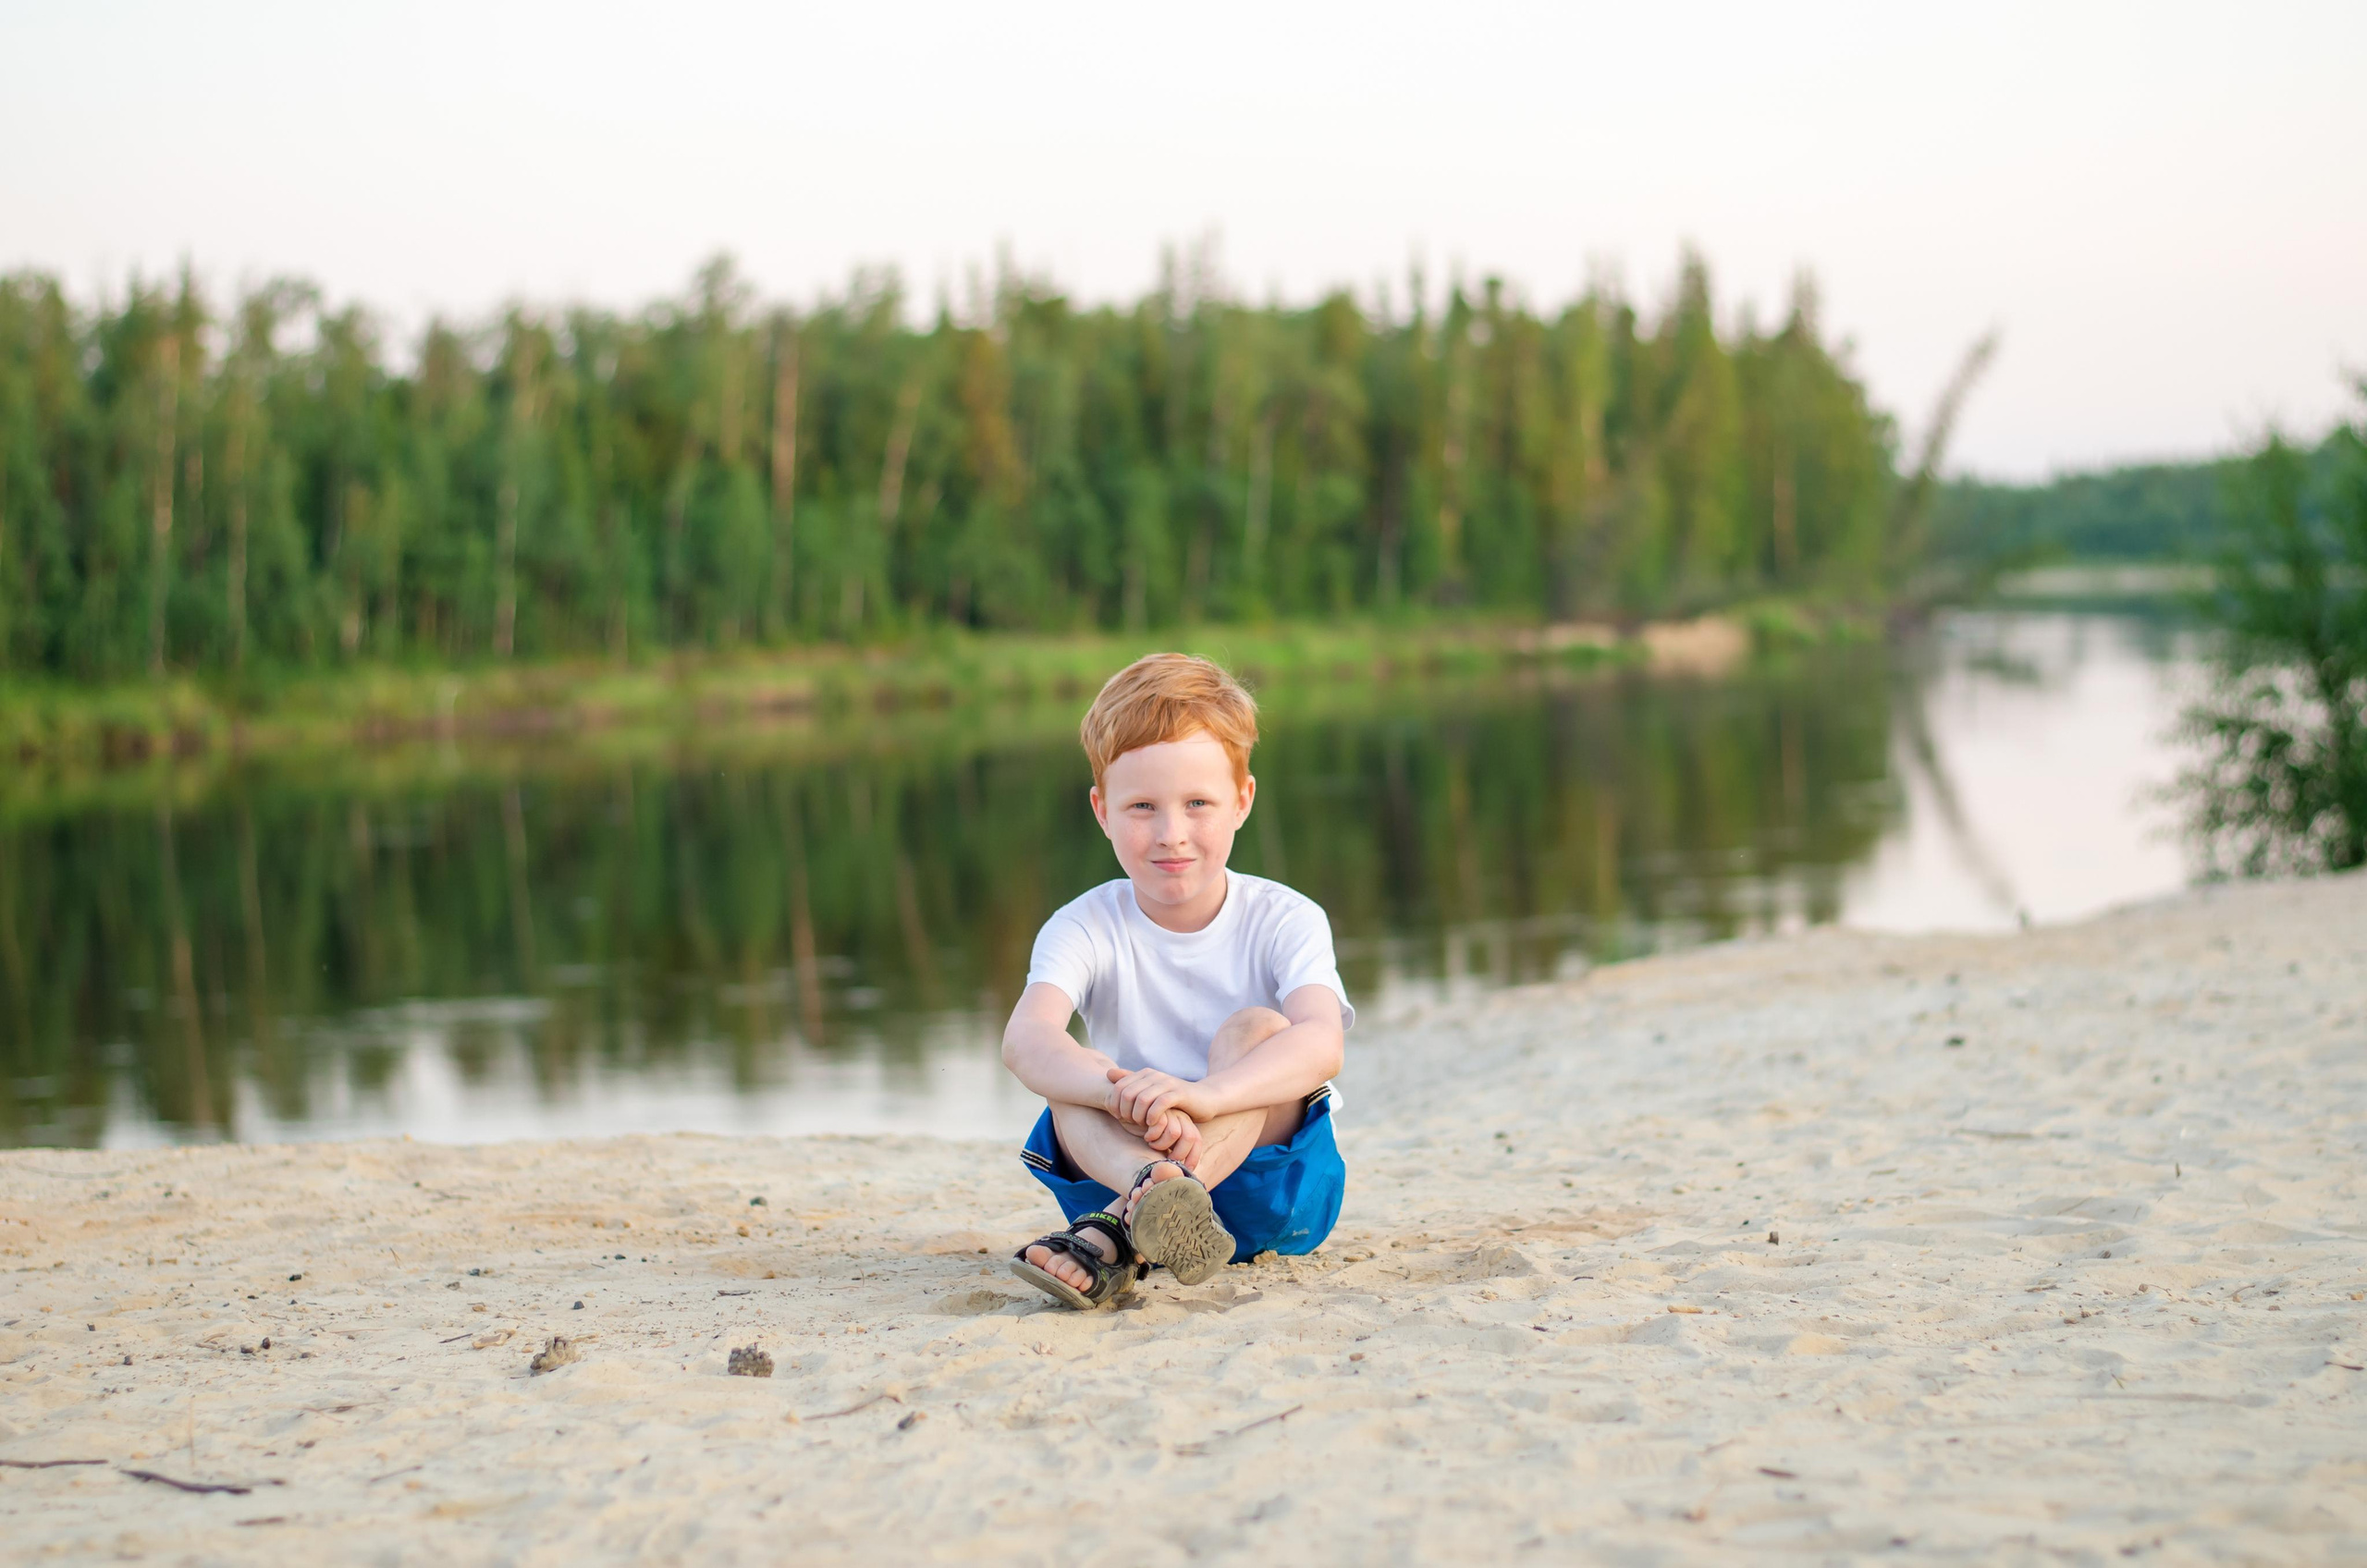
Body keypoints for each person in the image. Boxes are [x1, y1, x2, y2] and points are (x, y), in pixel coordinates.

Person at [1001, 652, 1351, 1309]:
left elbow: (1323, 1043)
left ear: (1242, 802)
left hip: (1268, 1194)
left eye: (1197, 804)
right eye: (1142, 807)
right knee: (1073, 1072)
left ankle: (1116, 1231)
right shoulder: (1084, 925)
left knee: (1259, 1029)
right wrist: (1115, 1092)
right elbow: (1025, 1040)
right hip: (1123, 1161)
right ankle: (1152, 1198)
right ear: (1101, 810)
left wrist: (1206, 1098)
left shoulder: (1285, 917)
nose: (1171, 835)